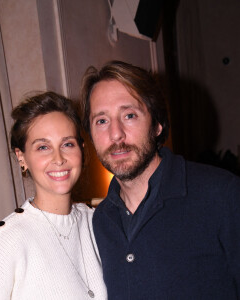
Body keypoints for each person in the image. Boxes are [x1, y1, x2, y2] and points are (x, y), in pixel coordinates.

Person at [80, 60, 240, 300]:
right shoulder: (99, 221)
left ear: (157, 125)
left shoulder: (221, 194)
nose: (115, 134)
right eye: (101, 121)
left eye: (129, 115)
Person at [0, 92, 107, 300]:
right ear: (22, 157)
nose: (58, 158)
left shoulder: (98, 222)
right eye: (43, 147)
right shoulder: (9, 240)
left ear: (81, 149)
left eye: (67, 144)